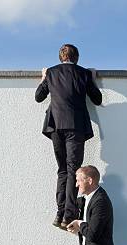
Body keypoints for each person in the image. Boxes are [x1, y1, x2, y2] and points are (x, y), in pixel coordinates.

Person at [35, 44, 102, 230]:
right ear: (77, 57)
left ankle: (60, 212)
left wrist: (43, 78)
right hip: (76, 126)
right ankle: (69, 215)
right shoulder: (84, 74)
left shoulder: (51, 73)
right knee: (73, 169)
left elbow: (38, 97)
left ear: (60, 57)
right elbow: (97, 99)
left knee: (63, 169)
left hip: (55, 125)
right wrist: (93, 79)